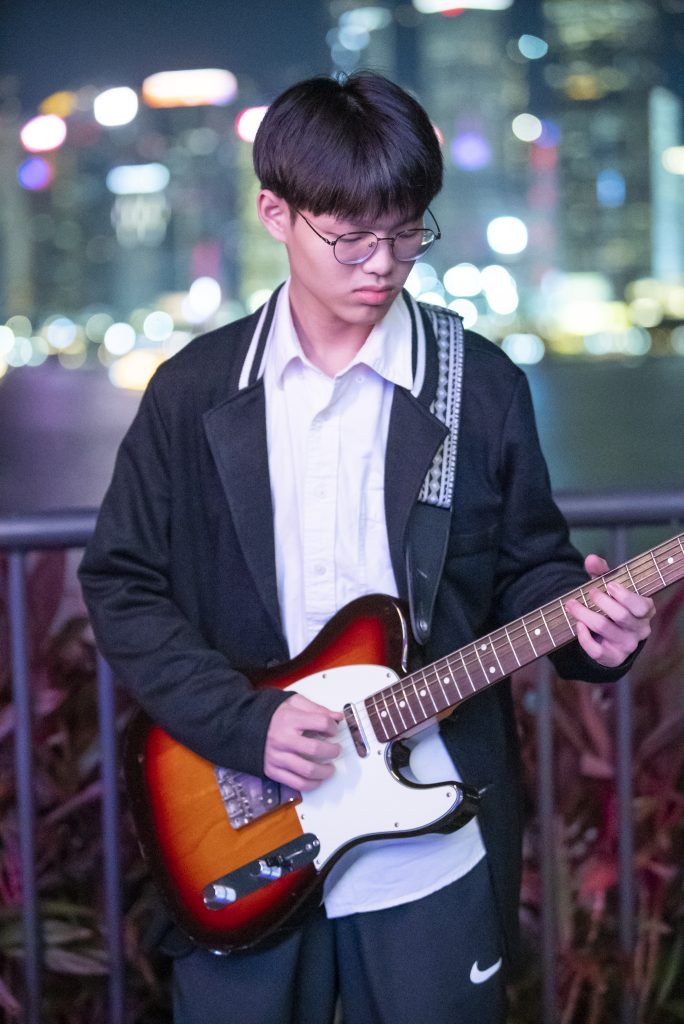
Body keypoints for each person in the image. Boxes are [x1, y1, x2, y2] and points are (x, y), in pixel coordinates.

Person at [78, 71, 654, 1024]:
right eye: (351, 237)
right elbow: (121, 582)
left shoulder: (481, 385)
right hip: (246, 826)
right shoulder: (194, 389)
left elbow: (530, 570)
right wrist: (243, 722)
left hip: (432, 839)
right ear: (275, 212)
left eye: (406, 232)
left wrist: (595, 631)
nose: (382, 264)